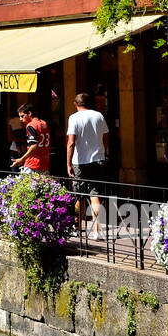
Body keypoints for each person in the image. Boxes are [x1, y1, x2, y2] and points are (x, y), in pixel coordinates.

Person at [63, 93, 110, 234]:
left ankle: (77, 227)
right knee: (96, 195)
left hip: (80, 161)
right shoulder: (99, 116)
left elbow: (71, 142)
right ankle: (97, 231)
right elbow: (106, 138)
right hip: (98, 159)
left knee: (79, 195)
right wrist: (104, 151)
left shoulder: (74, 118)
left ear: (75, 104)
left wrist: (68, 163)